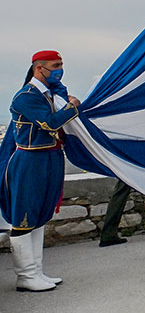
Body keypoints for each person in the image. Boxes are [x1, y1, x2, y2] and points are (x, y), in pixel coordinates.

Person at [0, 51, 80, 292]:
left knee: (40, 215)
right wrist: (73, 106)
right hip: (30, 161)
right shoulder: (26, 96)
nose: (60, 70)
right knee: (25, 216)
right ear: (39, 68)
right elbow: (49, 123)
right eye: (55, 65)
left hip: (49, 157)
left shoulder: (50, 94)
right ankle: (25, 276)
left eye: (61, 64)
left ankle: (36, 271)